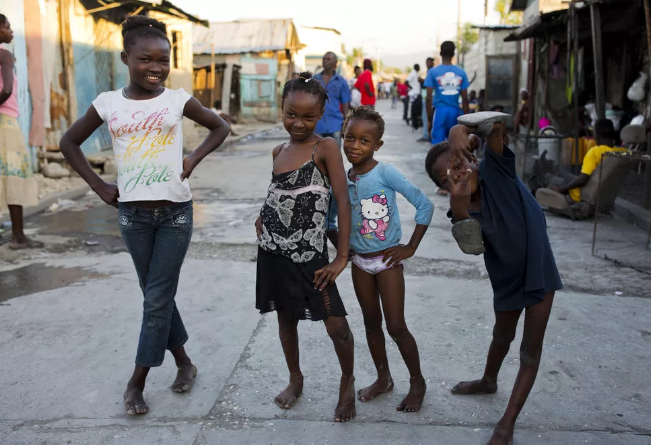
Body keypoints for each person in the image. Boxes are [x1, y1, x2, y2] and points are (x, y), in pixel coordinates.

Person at [59, 16, 231, 416]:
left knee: (156, 299)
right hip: (133, 217)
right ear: (125, 58)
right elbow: (69, 142)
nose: (155, 68)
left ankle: (136, 383)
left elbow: (219, 127)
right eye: (145, 59)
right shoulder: (107, 103)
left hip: (175, 215)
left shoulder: (177, 100)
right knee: (158, 297)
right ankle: (185, 363)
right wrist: (99, 186)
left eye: (163, 60)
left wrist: (193, 157)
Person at [425, 115, 563, 445]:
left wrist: (459, 130)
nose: (457, 173)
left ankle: (507, 422)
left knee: (530, 351)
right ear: (442, 186)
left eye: (459, 162)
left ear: (473, 159)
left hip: (539, 271)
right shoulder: (459, 204)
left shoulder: (495, 170)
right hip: (504, 277)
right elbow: (472, 247)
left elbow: (497, 124)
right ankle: (489, 380)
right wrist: (459, 206)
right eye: (447, 176)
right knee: (502, 335)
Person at [254, 72, 356, 423]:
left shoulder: (324, 147)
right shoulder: (278, 150)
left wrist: (342, 256)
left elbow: (343, 202)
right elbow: (278, 190)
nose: (298, 123)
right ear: (281, 109)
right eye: (291, 115)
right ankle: (295, 378)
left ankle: (347, 381)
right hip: (273, 252)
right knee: (285, 319)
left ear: (322, 113)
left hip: (311, 256)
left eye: (308, 117)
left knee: (336, 325)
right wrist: (261, 214)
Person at [327, 106, 434, 412]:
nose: (354, 146)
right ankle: (383, 378)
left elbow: (424, 205)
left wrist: (409, 247)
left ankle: (417, 382)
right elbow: (331, 221)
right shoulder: (342, 179)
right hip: (360, 264)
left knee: (396, 326)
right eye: (349, 137)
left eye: (364, 140)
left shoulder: (385, 173)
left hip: (387, 263)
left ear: (377, 145)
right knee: (371, 323)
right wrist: (344, 251)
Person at [0, 14, 41, 250]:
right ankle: (18, 237)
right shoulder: (4, 54)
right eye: (6, 27)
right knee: (14, 176)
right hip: (6, 121)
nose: (11, 31)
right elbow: (6, 90)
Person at [545, 119, 627, 201]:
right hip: (606, 194)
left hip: (584, 193)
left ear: (597, 135)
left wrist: (561, 189)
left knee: (549, 177)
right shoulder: (623, 153)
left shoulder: (595, 152)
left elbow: (582, 180)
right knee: (562, 173)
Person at [425, 41, 470, 144]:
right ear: (453, 54)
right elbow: (465, 98)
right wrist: (467, 120)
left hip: (439, 112)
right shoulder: (461, 72)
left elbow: (428, 98)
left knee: (438, 148)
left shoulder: (433, 72)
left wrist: (429, 119)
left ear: (440, 54)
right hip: (455, 112)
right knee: (455, 146)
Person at [314, 52, 351, 141]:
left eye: (328, 59)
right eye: (324, 59)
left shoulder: (341, 81)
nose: (325, 61)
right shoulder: (314, 80)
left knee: (334, 153)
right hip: (318, 124)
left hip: (335, 124)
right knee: (317, 153)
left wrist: (345, 123)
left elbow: (345, 102)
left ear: (335, 63)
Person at [418, 57, 435, 142]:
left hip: (429, 98)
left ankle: (426, 135)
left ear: (432, 63)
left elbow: (429, 85)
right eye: (426, 62)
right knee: (427, 117)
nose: (427, 64)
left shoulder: (432, 72)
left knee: (427, 116)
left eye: (429, 62)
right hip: (427, 97)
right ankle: (428, 134)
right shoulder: (430, 72)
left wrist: (422, 81)